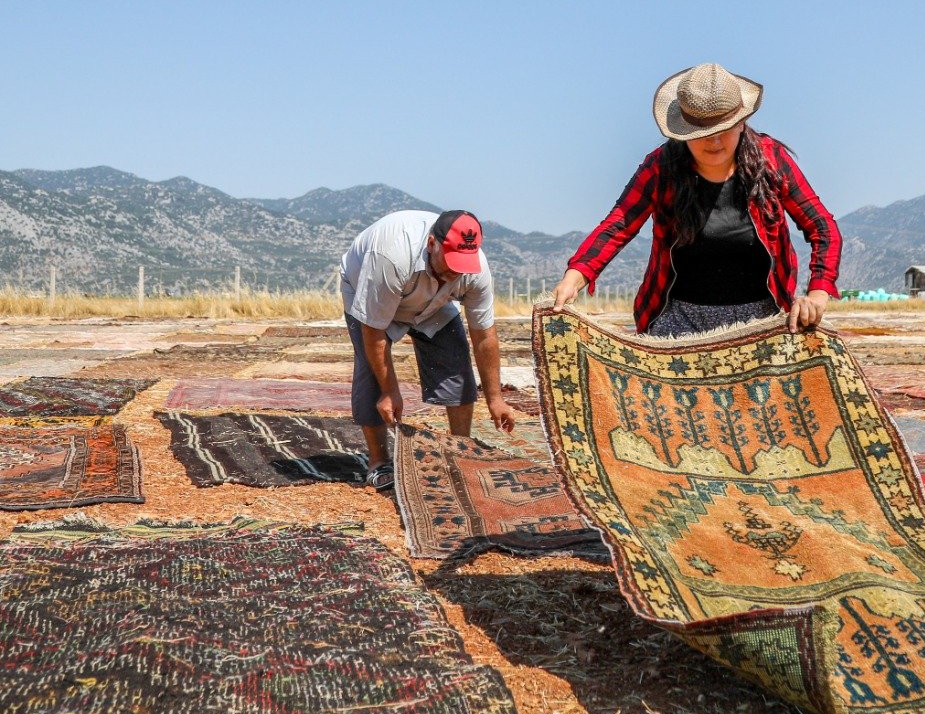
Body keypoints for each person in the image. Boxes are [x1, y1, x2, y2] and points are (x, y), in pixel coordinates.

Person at [551, 63, 841, 338]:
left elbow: (822, 226)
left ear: (742, 122)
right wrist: (574, 278)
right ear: (683, 131)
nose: (714, 142)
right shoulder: (660, 167)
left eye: (724, 129)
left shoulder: (771, 160)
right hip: (679, 318)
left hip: (763, 316)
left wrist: (817, 293)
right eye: (703, 133)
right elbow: (618, 226)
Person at [341, 209, 514, 490]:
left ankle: (461, 451)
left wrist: (496, 398)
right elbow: (374, 331)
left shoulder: (474, 268)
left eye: (462, 265)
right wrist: (389, 390)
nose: (455, 271)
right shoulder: (391, 255)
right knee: (371, 370)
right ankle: (378, 463)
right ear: (432, 243)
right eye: (451, 262)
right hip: (372, 289)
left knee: (455, 356)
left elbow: (484, 335)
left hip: (432, 300)